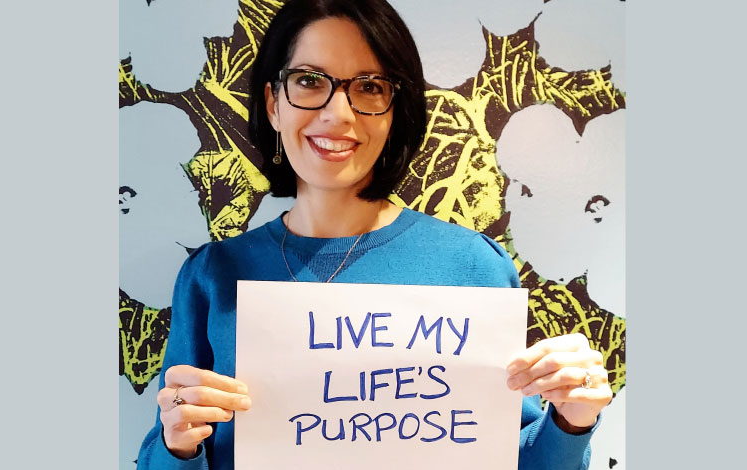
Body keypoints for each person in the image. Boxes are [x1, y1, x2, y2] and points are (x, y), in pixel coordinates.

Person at [137, 0, 613, 468]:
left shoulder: (474, 266)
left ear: (393, 112)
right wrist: (179, 444)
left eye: (368, 86)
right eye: (308, 80)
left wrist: (572, 421)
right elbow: (164, 451)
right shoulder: (214, 274)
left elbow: (516, 458)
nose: (338, 113)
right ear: (273, 103)